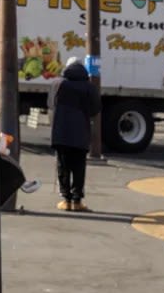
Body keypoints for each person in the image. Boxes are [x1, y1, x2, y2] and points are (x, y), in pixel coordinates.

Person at [47, 55, 100, 212]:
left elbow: (50, 104)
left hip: (61, 132)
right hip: (81, 132)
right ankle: (77, 201)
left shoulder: (58, 84)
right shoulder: (89, 87)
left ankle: (66, 200)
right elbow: (95, 108)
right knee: (79, 166)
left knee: (63, 165)